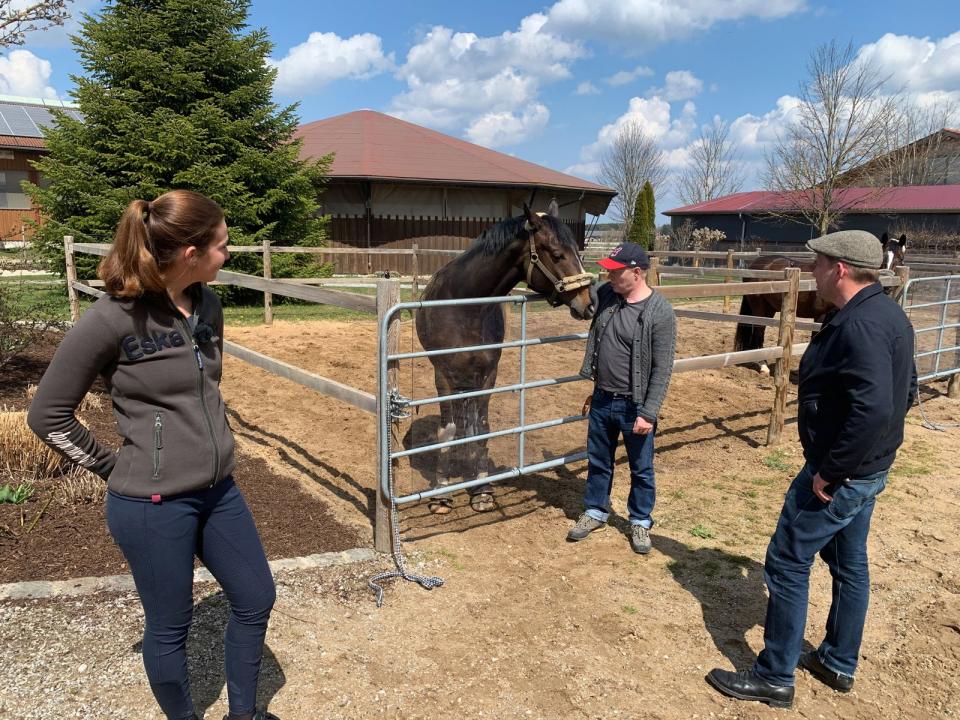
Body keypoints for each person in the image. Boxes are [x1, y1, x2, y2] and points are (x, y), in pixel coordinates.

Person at [28, 190, 279, 720]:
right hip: (152, 504)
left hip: (218, 491)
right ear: (190, 253)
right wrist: (113, 466)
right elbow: (47, 415)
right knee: (170, 627)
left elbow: (203, 387)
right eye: (222, 245)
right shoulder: (111, 319)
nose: (227, 254)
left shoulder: (208, 304)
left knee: (256, 598)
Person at [706, 230, 918, 708]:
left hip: (839, 475)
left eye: (817, 264)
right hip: (869, 470)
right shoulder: (888, 315)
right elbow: (905, 392)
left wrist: (832, 470)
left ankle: (774, 675)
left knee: (786, 561)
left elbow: (876, 408)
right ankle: (838, 661)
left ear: (839, 269)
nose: (812, 272)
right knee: (849, 563)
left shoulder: (859, 326)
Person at [567, 242, 676, 554]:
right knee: (599, 459)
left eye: (616, 271)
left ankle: (640, 520)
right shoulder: (607, 297)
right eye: (608, 270)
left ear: (637, 273)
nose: (608, 275)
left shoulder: (660, 312)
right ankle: (595, 511)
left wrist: (649, 412)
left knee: (641, 467)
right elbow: (576, 292)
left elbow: (662, 367)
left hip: (635, 405)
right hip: (602, 398)